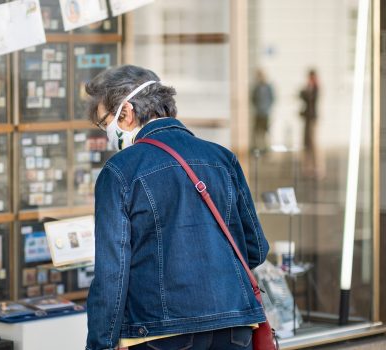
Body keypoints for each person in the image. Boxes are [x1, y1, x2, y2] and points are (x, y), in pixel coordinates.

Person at [85, 65, 269, 350]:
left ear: (127, 112)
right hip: (235, 325)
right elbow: (255, 247)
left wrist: (101, 344)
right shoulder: (222, 158)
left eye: (104, 122)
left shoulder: (120, 171)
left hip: (158, 331)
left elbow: (112, 274)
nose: (106, 132)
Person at [299, 69, 319, 177]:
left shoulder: (315, 88)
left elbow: (310, 98)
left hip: (312, 119)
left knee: (313, 143)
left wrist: (308, 90)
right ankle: (307, 167)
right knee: (306, 144)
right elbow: (302, 95)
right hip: (307, 119)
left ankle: (316, 167)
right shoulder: (309, 88)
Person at [251, 69, 274, 151]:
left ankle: (265, 147)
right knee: (257, 131)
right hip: (258, 113)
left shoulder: (268, 87)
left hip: (265, 113)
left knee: (265, 131)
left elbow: (272, 99)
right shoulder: (256, 87)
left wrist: (267, 108)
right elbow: (253, 99)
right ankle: (257, 146)